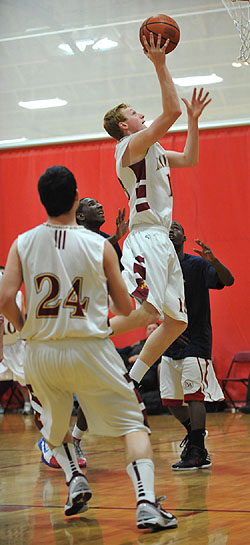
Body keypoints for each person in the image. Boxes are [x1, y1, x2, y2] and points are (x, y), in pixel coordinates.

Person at [0, 165, 178, 530]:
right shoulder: (99, 245)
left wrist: (26, 328)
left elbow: (5, 297)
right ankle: (145, 503)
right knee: (135, 426)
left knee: (54, 425)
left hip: (40, 352)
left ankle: (74, 480)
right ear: (76, 197)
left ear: (42, 200)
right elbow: (126, 309)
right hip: (90, 348)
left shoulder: (22, 243)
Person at [103, 32, 211, 388]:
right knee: (148, 312)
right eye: (134, 113)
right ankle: (86, 332)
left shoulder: (155, 149)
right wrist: (159, 63)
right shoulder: (128, 147)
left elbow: (191, 158)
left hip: (162, 241)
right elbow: (171, 110)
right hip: (146, 236)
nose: (141, 114)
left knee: (177, 322)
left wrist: (193, 120)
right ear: (123, 126)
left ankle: (131, 380)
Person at [38, 197, 129, 469]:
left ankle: (73, 439)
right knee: (61, 395)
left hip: (91, 328)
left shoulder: (109, 245)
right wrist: (115, 238)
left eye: (101, 202)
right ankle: (51, 439)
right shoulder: (67, 238)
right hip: (61, 327)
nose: (100, 206)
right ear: (79, 216)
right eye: (91, 204)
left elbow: (117, 289)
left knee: (96, 392)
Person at [160, 221, 234, 470]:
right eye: (166, 227)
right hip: (170, 338)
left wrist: (213, 260)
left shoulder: (198, 265)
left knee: (194, 395)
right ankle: (195, 438)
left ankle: (197, 451)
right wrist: (167, 327)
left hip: (196, 340)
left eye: (176, 227)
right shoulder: (158, 267)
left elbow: (228, 280)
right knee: (169, 400)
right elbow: (148, 301)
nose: (171, 229)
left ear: (184, 237)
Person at [0, 266, 32, 415]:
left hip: (15, 342)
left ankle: (28, 405)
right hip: (2, 344)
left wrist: (26, 338)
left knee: (25, 378)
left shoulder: (18, 295)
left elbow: (23, 316)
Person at [117, 323, 167, 415]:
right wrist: (130, 359)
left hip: (148, 378)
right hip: (129, 378)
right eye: (149, 329)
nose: (152, 330)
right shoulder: (136, 345)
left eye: (154, 329)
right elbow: (117, 354)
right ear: (146, 332)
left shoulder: (163, 346)